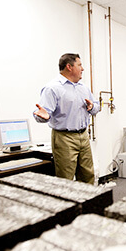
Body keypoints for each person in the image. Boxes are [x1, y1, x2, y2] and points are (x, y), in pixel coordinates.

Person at [33, 53, 100, 184]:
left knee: (88, 175)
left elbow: (96, 107)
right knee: (66, 179)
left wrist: (92, 107)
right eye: (79, 65)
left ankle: (88, 204)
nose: (83, 69)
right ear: (69, 67)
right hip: (64, 138)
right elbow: (42, 114)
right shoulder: (52, 88)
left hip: (83, 136)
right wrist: (44, 116)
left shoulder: (83, 88)